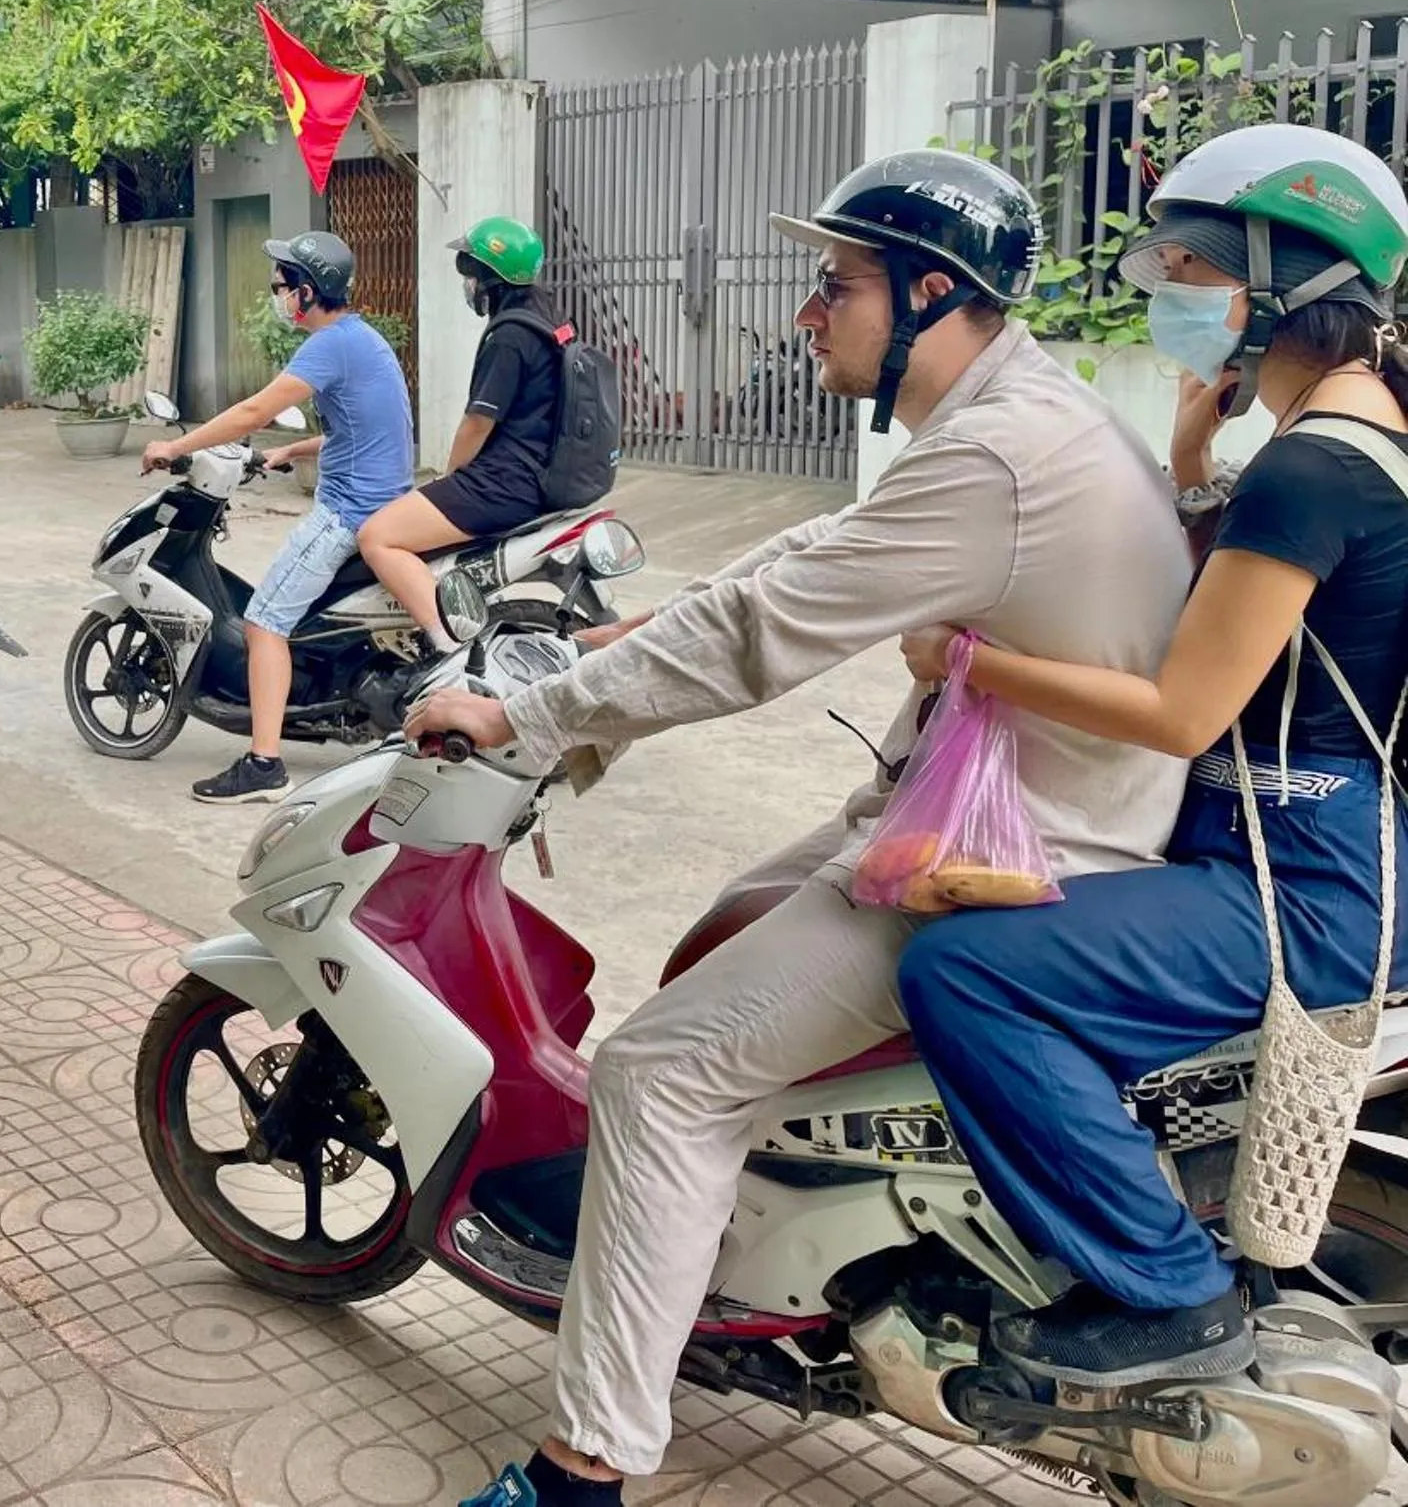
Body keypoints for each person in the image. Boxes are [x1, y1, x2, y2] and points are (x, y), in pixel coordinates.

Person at [407, 152, 1193, 1507]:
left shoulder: (998, 455)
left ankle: (581, 1470)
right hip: (1002, 814)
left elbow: (763, 634)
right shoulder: (1019, 418)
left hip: (1020, 859)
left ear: (931, 290)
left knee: (659, 1072)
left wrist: (528, 719)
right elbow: (806, 559)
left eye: (836, 285)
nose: (806, 312)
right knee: (729, 928)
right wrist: (609, 638)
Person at [894, 124, 1408, 1389]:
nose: (1166, 294)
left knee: (968, 974)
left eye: (1187, 267)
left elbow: (1183, 708)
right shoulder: (1355, 439)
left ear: (1284, 283)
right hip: (1311, 853)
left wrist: (967, 662)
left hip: (1293, 894)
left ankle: (1169, 1290)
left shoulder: (1311, 471)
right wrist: (1189, 461)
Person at [140, 231, 412, 805]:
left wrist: (176, 446)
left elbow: (253, 410)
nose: (277, 297)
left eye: (281, 287)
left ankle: (264, 764)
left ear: (307, 293)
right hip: (383, 499)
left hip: (348, 512)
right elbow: (360, 430)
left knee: (264, 621)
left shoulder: (327, 346)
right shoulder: (360, 338)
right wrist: (290, 451)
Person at [358, 217, 565, 652]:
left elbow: (477, 423)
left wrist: (450, 478)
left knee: (376, 537)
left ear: (492, 278)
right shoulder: (549, 320)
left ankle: (445, 645)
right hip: (534, 475)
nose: (468, 284)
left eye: (471, 274)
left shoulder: (510, 336)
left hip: (503, 483)